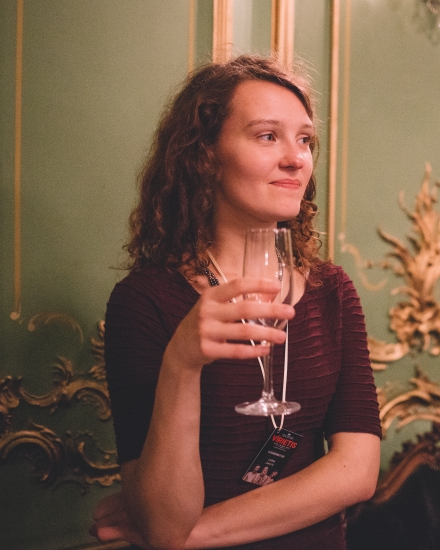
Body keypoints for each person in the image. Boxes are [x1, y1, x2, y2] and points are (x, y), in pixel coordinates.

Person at [90, 54, 381, 550]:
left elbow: (357, 472)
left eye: (305, 140)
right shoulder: (145, 301)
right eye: (268, 136)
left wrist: (188, 535)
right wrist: (182, 362)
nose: (296, 158)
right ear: (204, 155)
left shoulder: (331, 289)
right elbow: (165, 516)